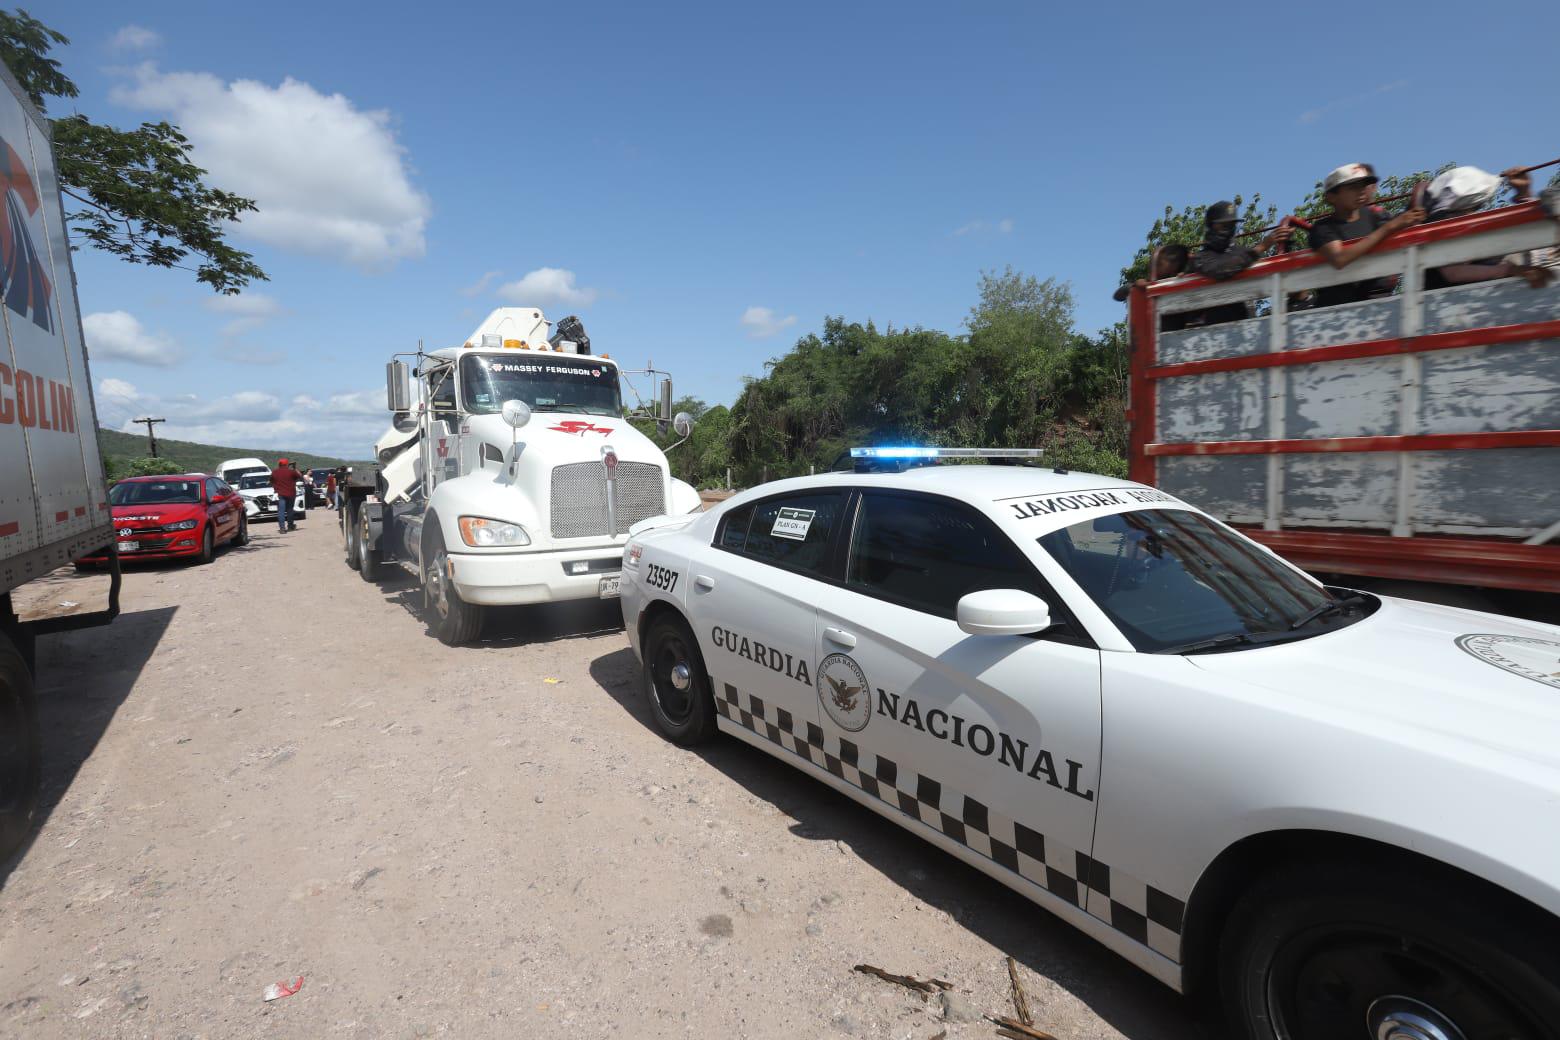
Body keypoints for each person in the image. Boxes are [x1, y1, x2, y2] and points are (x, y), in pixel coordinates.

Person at [1308, 163, 1426, 308]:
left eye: (1363, 186)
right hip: (1336, 311)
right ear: (1332, 197)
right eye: (1353, 187)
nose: (1361, 191)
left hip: (1379, 304)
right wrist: (1390, 227)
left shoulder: (1374, 216)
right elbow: (1340, 258)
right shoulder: (1322, 228)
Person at [1421, 166, 1553, 291]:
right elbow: (1453, 272)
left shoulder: (1464, 226)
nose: (1474, 211)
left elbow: (1517, 235)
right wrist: (1511, 270)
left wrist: (1524, 193)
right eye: (1476, 205)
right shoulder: (1438, 225)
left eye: (1477, 206)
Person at [1188, 200, 1294, 281]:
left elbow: (1278, 275)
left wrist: (1285, 243)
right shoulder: (1199, 259)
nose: (1228, 230)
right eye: (1224, 225)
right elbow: (1219, 270)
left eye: (1232, 225)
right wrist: (1261, 247)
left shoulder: (1243, 252)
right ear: (1210, 226)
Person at [270, 457, 305, 533]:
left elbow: (271, 481)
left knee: (281, 511)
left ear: (279, 464)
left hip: (280, 494)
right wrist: (295, 468)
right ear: (287, 464)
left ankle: (282, 528)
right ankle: (290, 526)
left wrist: (276, 487)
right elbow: (300, 477)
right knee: (290, 510)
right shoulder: (291, 472)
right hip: (291, 494)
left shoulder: (274, 472)